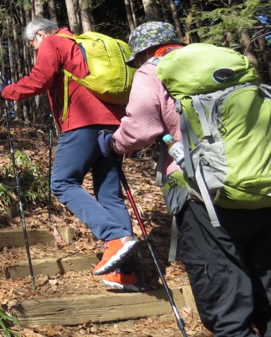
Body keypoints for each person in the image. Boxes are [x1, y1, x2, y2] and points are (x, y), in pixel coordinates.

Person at [100, 21, 271, 335]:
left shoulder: (152, 71)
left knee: (223, 291)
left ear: (144, 51)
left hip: (202, 193)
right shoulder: (224, 60)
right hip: (262, 183)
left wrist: (112, 143)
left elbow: (140, 129)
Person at [0, 17, 138, 289]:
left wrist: (7, 92)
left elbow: (40, 79)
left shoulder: (53, 42)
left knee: (62, 182)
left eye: (32, 45)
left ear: (38, 34)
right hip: (113, 125)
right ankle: (125, 272)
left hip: (83, 124)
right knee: (109, 195)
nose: (35, 49)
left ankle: (115, 237)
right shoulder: (81, 45)